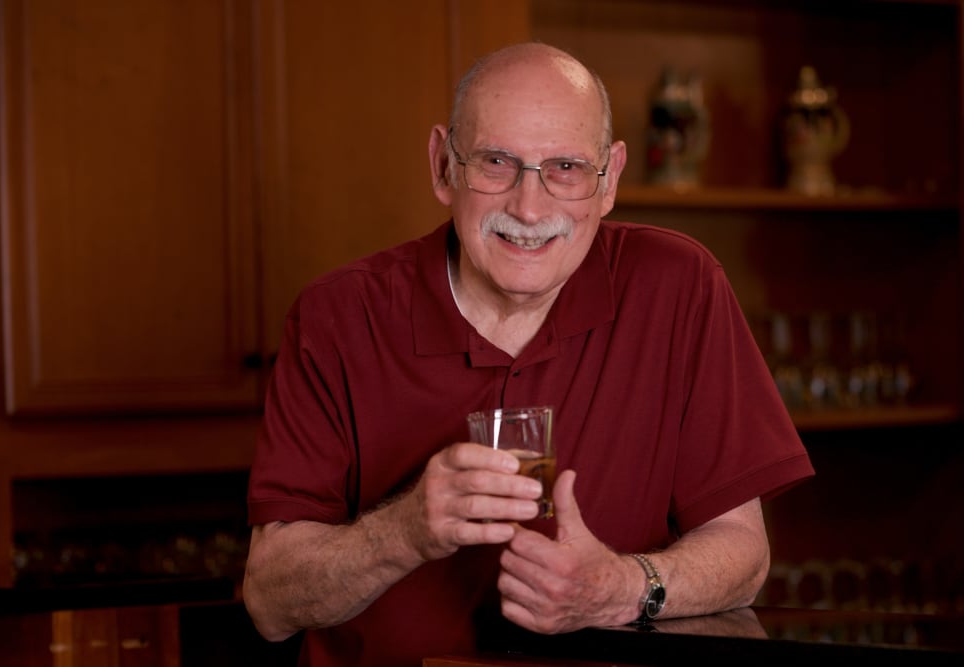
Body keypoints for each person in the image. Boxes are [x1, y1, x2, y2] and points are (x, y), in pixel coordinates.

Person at [243, 42, 814, 667]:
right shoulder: (337, 316)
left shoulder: (677, 285)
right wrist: (403, 531)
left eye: (566, 167)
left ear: (610, 179)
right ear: (442, 166)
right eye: (496, 162)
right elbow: (269, 604)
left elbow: (743, 554)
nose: (530, 207)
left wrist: (616, 588)